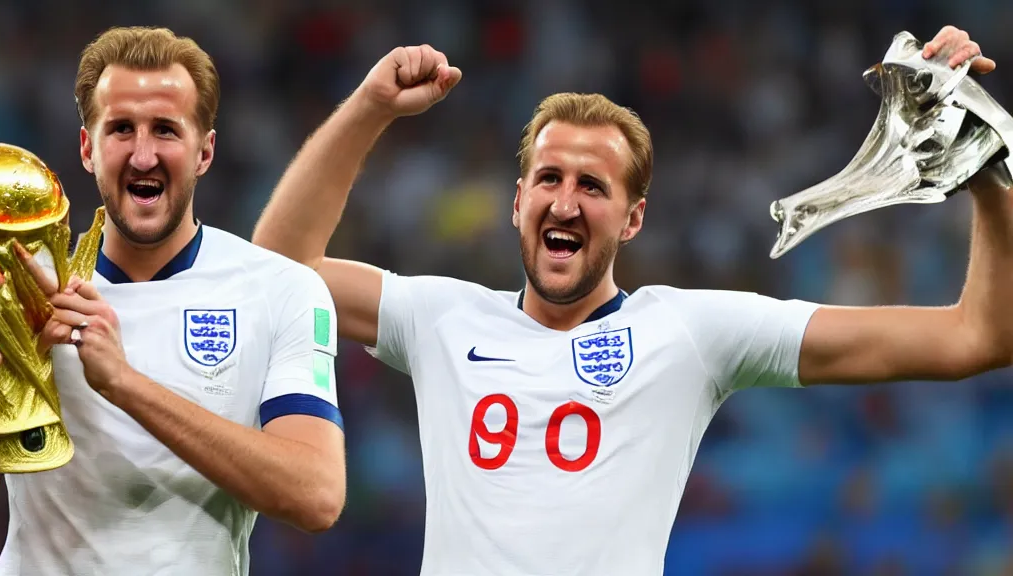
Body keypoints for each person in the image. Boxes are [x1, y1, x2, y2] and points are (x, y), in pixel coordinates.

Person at [252, 26, 1004, 576]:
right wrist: (368, 109)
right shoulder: (441, 318)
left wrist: (984, 173)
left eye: (593, 186)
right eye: (549, 179)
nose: (566, 201)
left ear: (634, 216)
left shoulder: (693, 332)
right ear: (517, 202)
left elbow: (977, 337)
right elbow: (280, 266)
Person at [0, 26, 346, 576]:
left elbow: (316, 494)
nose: (143, 154)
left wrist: (124, 383)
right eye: (121, 129)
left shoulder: (281, 289)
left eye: (165, 130)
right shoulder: (17, 288)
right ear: (88, 148)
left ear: (205, 151)